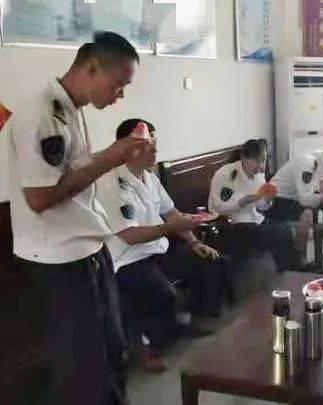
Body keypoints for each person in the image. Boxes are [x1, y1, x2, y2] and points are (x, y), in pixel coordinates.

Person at [7, 32, 149, 405]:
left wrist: (115, 153)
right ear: (92, 68)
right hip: (59, 258)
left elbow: (74, 171)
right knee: (83, 369)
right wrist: (110, 159)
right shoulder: (42, 113)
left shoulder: (70, 109)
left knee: (113, 351)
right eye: (118, 84)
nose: (120, 95)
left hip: (89, 249)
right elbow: (40, 197)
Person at [99, 119, 230, 372]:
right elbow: (130, 236)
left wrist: (194, 242)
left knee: (212, 262)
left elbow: (171, 213)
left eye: (155, 144)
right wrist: (170, 228)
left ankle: (190, 320)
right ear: (129, 148)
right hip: (128, 261)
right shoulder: (112, 184)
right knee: (162, 293)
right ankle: (147, 346)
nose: (155, 150)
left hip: (157, 251)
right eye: (149, 145)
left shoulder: (150, 178)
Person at [208, 139, 298, 271]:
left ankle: (292, 270)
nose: (262, 167)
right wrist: (244, 201)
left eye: (264, 161)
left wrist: (267, 200)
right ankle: (289, 271)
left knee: (286, 229)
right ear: (244, 158)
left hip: (255, 220)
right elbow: (218, 207)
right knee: (278, 233)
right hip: (232, 224)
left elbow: (261, 207)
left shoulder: (259, 175)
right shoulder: (225, 174)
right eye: (258, 161)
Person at [267, 147, 323, 266]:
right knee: (307, 214)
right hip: (276, 200)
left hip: (294, 199)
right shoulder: (308, 164)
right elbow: (305, 200)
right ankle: (298, 260)